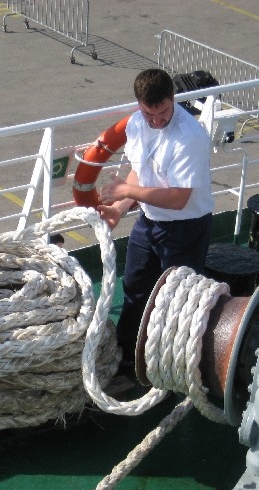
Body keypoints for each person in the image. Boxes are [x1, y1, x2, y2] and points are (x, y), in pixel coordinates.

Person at [97, 68, 214, 365]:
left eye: (162, 112)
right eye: (149, 113)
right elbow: (141, 171)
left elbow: (178, 199)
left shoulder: (189, 138)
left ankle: (170, 360)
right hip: (149, 222)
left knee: (178, 299)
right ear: (139, 105)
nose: (156, 120)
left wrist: (125, 190)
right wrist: (119, 208)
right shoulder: (137, 125)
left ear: (172, 99)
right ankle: (125, 355)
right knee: (135, 284)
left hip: (185, 228)